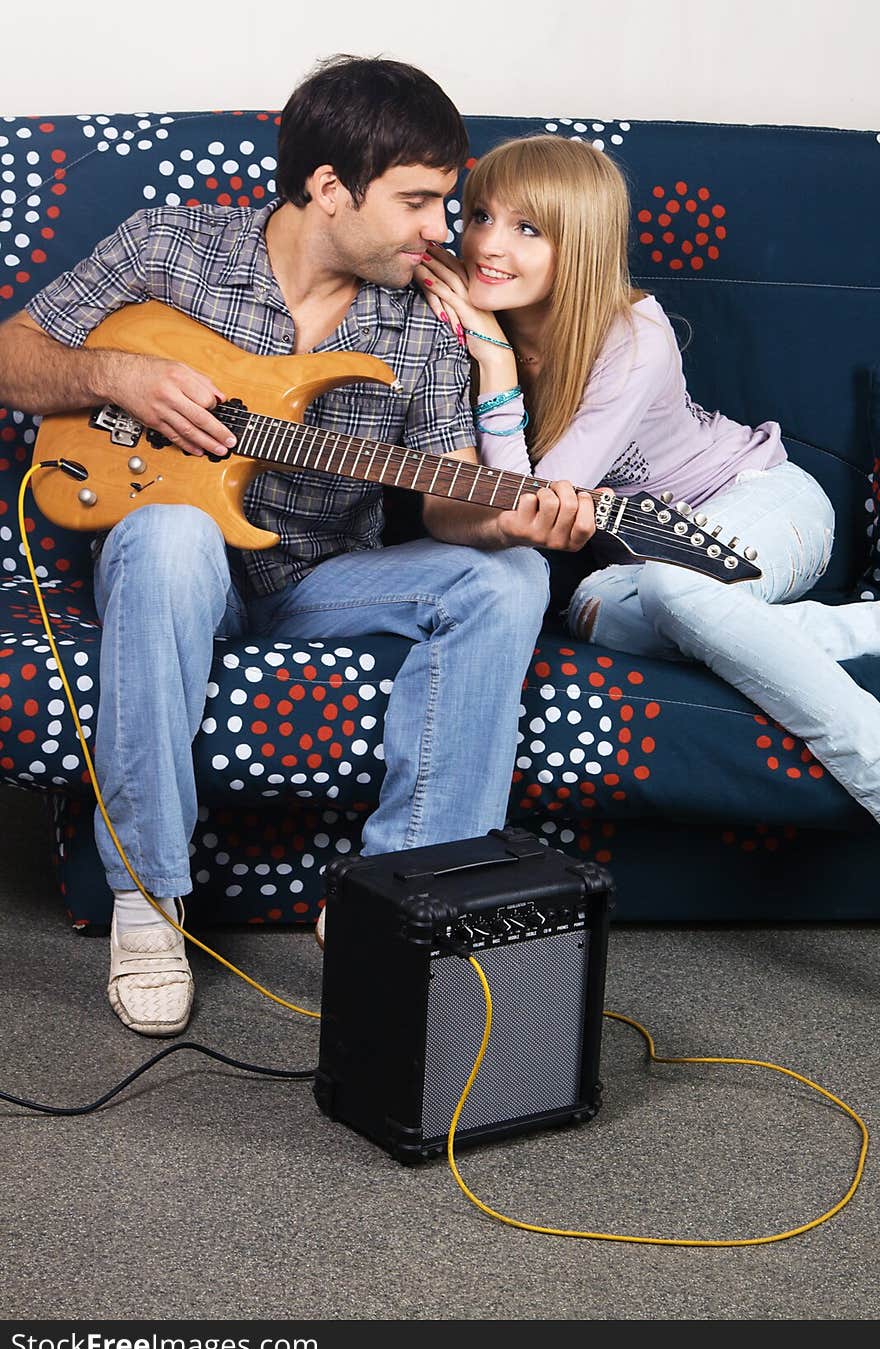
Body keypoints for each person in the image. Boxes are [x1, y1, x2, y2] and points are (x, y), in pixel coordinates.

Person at [0, 63, 595, 1038]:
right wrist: (120, 373)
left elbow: (449, 503)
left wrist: (511, 515)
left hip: (320, 581)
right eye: (418, 200)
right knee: (168, 534)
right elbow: (12, 355)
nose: (444, 229)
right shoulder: (170, 244)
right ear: (328, 188)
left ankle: (399, 894)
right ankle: (146, 898)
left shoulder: (422, 328)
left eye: (445, 199)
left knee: (511, 575)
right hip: (176, 564)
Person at [414, 132, 880, 831]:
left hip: (762, 499)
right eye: (480, 215)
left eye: (527, 228)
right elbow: (513, 522)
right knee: (596, 610)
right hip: (628, 563)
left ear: (583, 246)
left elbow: (534, 500)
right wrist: (486, 347)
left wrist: (496, 365)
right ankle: (847, 630)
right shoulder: (458, 323)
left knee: (676, 585)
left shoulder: (635, 332)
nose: (487, 245)